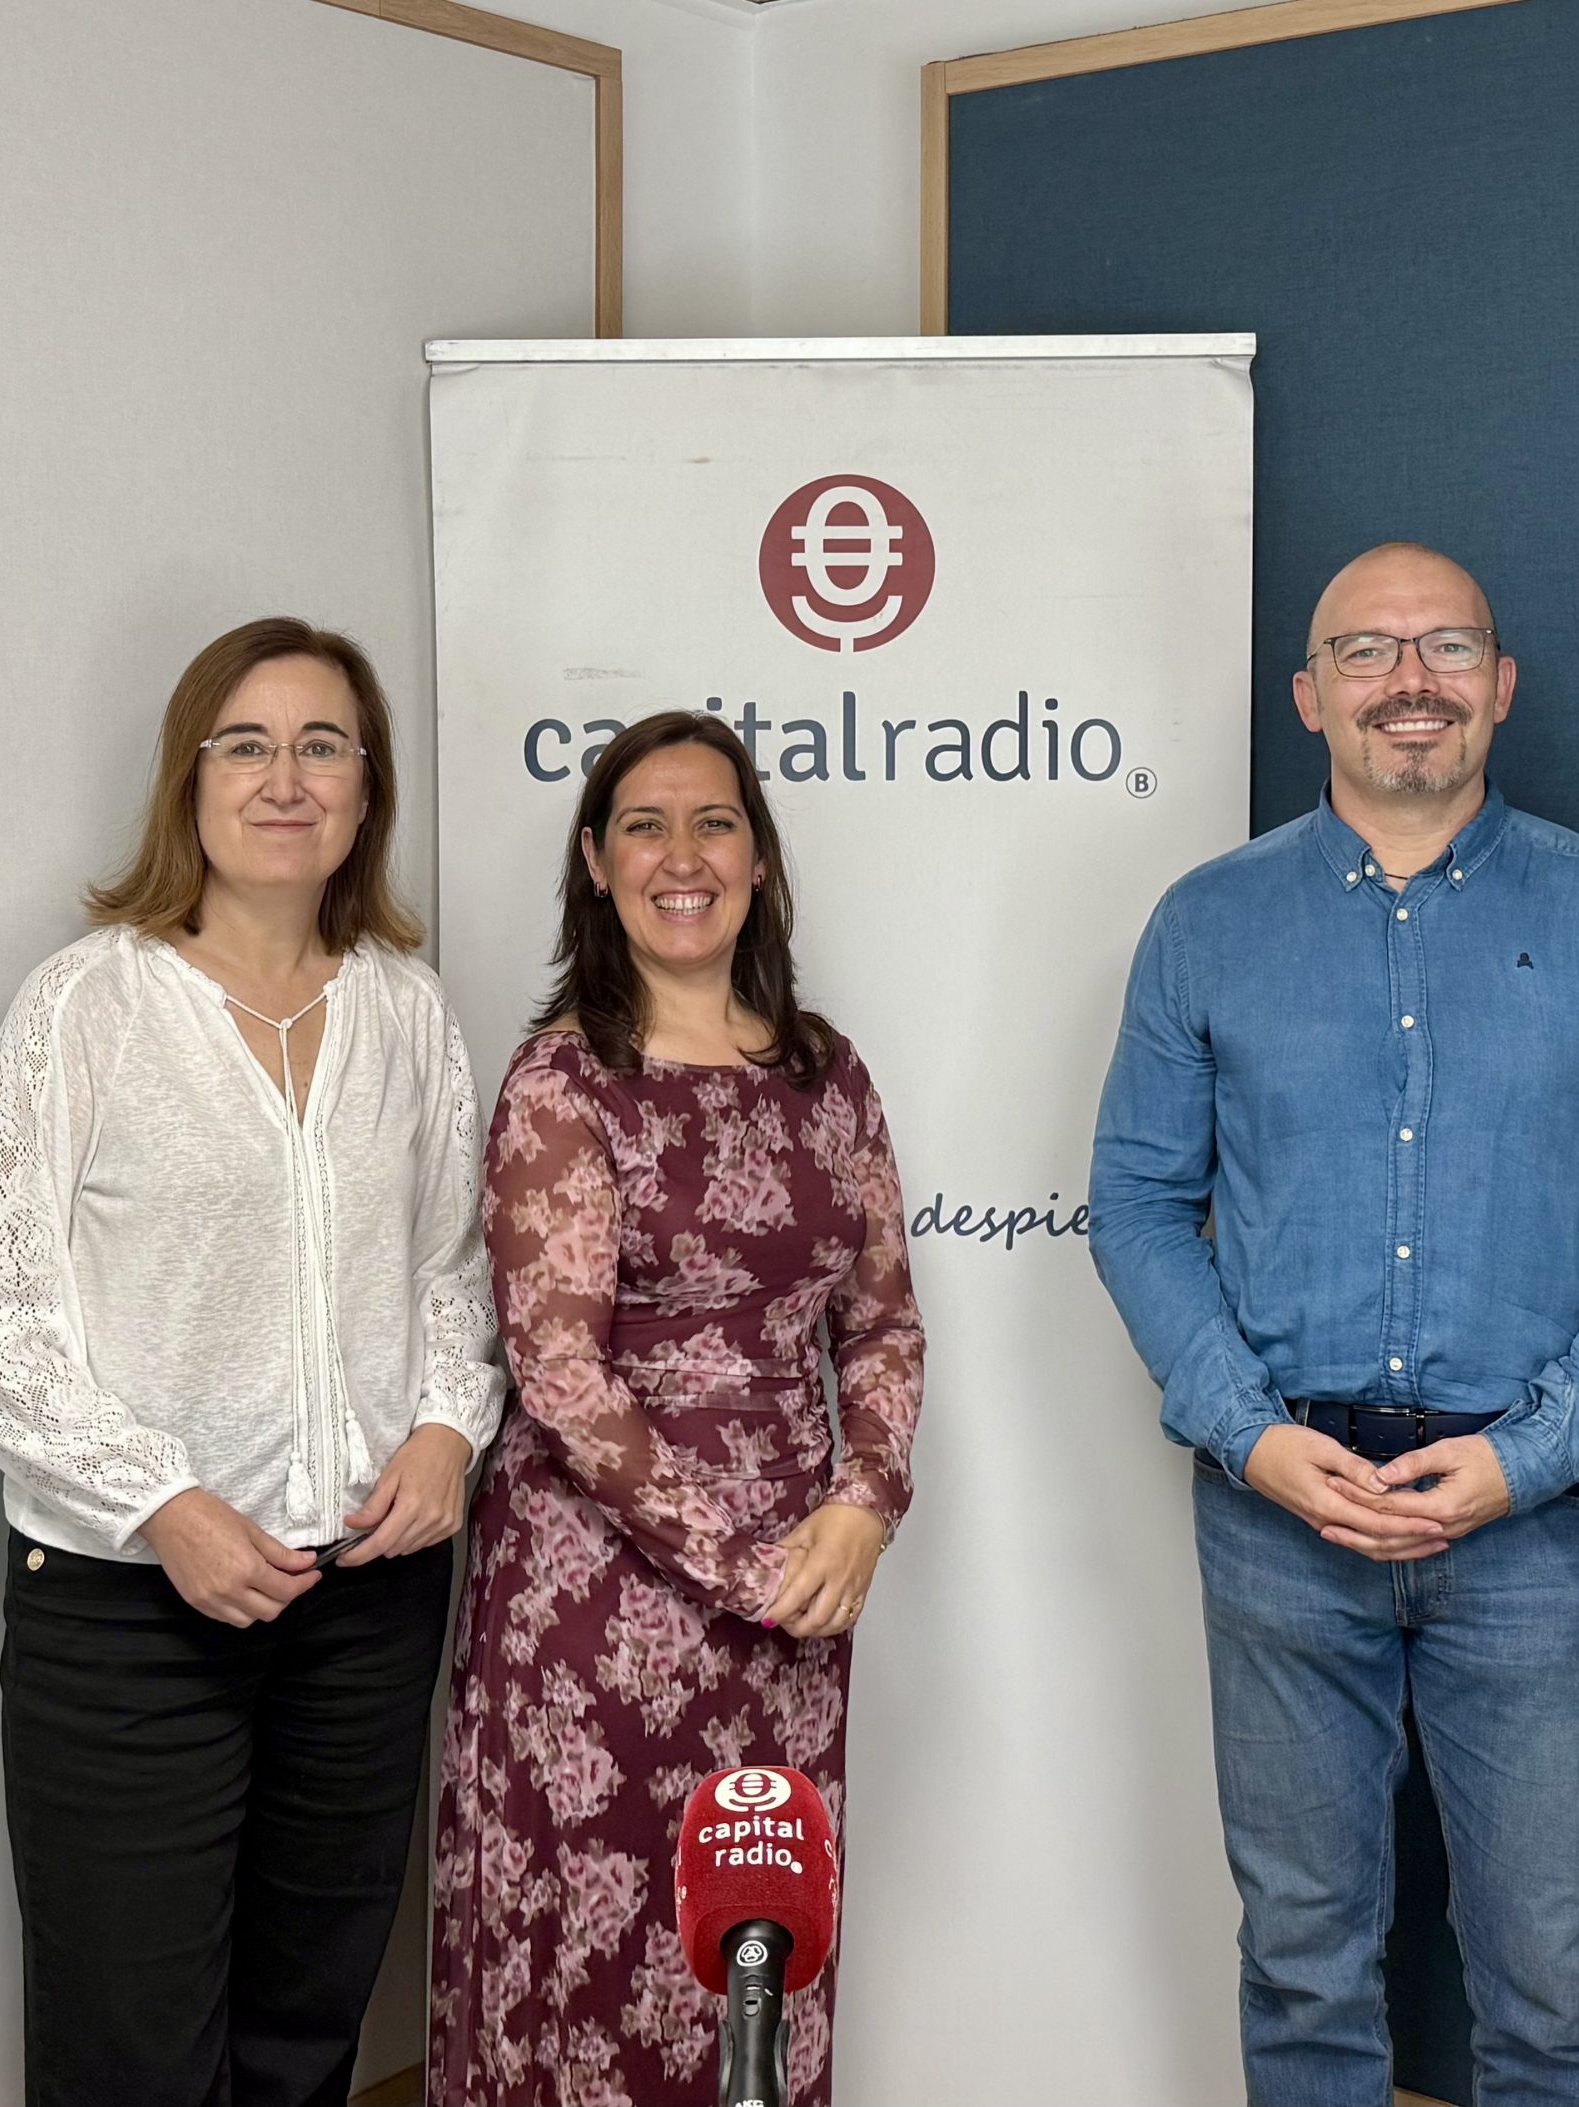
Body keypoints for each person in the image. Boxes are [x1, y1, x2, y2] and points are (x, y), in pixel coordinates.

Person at [1089, 543, 1579, 2106]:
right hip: (1281, 1514)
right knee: (1301, 1958)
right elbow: (1134, 1203)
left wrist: (1533, 1454)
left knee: (1552, 1977)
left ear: (1499, 686)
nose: (1409, 680)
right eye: (1366, 650)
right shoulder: (1206, 923)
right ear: (1307, 694)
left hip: (1532, 1524)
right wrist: (1250, 1435)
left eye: (1446, 646)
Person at [0, 617, 504, 2107]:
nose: (284, 778)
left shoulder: (407, 1011)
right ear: (188, 782)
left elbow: (453, 1267)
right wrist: (164, 1505)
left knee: (307, 2025)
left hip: (363, 1601)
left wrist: (448, 1427)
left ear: (367, 790)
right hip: (132, 1608)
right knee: (131, 2046)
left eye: (322, 746)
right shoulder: (88, 1004)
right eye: (244, 744)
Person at [428, 711, 925, 2107]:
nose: (682, 855)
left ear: (759, 859)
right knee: (593, 1959)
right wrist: (745, 1564)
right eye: (644, 826)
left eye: (714, 823)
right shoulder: (563, 1080)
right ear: (595, 863)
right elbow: (558, 1372)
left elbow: (882, 1320)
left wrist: (863, 1506)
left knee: (757, 1952)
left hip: (800, 1595)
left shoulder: (828, 1072)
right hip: (594, 1601)